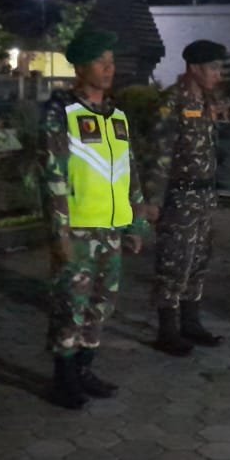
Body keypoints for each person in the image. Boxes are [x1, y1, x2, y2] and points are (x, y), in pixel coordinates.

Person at [39, 30, 154, 408]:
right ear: (80, 68)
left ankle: (85, 370)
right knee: (70, 307)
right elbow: (52, 176)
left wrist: (136, 222)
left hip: (111, 229)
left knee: (100, 305)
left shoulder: (117, 116)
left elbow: (129, 172)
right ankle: (63, 379)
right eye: (100, 62)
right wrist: (59, 233)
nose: (109, 69)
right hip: (78, 231)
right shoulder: (61, 113)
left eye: (111, 62)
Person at [144, 40, 230, 356]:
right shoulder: (173, 101)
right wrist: (153, 200)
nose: (218, 74)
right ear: (194, 68)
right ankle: (167, 330)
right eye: (213, 68)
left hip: (204, 195)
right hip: (179, 196)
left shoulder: (207, 101)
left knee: (198, 261)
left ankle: (191, 323)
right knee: (174, 262)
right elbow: (160, 153)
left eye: (220, 68)